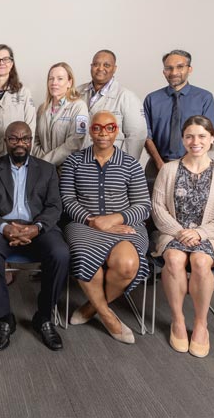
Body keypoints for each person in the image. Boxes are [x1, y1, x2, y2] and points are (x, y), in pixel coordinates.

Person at [0, 121, 69, 351]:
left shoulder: (46, 170)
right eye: (14, 139)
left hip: (38, 229)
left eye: (25, 138)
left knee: (61, 253)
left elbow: (55, 207)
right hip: (2, 228)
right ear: (5, 141)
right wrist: (5, 228)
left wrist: (35, 228)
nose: (20, 143)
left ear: (31, 141)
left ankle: (44, 317)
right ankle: (5, 317)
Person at [151, 115, 214, 358]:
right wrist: (180, 232)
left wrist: (199, 233)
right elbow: (158, 209)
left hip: (209, 238)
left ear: (212, 138)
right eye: (189, 136)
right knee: (175, 260)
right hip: (173, 233)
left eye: (201, 136)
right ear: (183, 139)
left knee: (200, 262)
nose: (195, 141)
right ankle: (178, 320)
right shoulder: (168, 170)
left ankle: (201, 324)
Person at [61, 111, 151, 344]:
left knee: (128, 264)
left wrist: (114, 219)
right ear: (90, 131)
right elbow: (67, 201)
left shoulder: (130, 164)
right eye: (97, 128)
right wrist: (93, 221)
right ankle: (108, 316)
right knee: (84, 257)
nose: (103, 133)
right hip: (83, 225)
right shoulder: (73, 162)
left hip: (125, 227)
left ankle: (91, 307)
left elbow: (143, 205)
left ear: (117, 131)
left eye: (110, 128)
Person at [143, 50, 214, 188]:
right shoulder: (152, 99)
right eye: (168, 68)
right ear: (164, 71)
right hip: (157, 165)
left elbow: (207, 135)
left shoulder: (204, 98)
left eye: (180, 67)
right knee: (154, 206)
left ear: (190, 69)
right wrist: (160, 164)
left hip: (195, 164)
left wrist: (190, 165)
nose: (174, 72)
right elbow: (146, 136)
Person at [76, 50, 147, 159]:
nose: (100, 68)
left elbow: (137, 136)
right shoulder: (77, 93)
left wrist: (125, 166)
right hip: (79, 163)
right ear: (91, 66)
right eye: (96, 64)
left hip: (112, 166)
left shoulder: (127, 97)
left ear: (114, 68)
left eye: (106, 65)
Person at [31, 62, 89, 168]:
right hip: (42, 169)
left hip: (67, 170)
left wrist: (46, 161)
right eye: (51, 78)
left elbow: (75, 143)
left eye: (60, 78)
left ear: (69, 83)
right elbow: (35, 139)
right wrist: (41, 160)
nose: (54, 82)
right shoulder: (42, 109)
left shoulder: (79, 107)